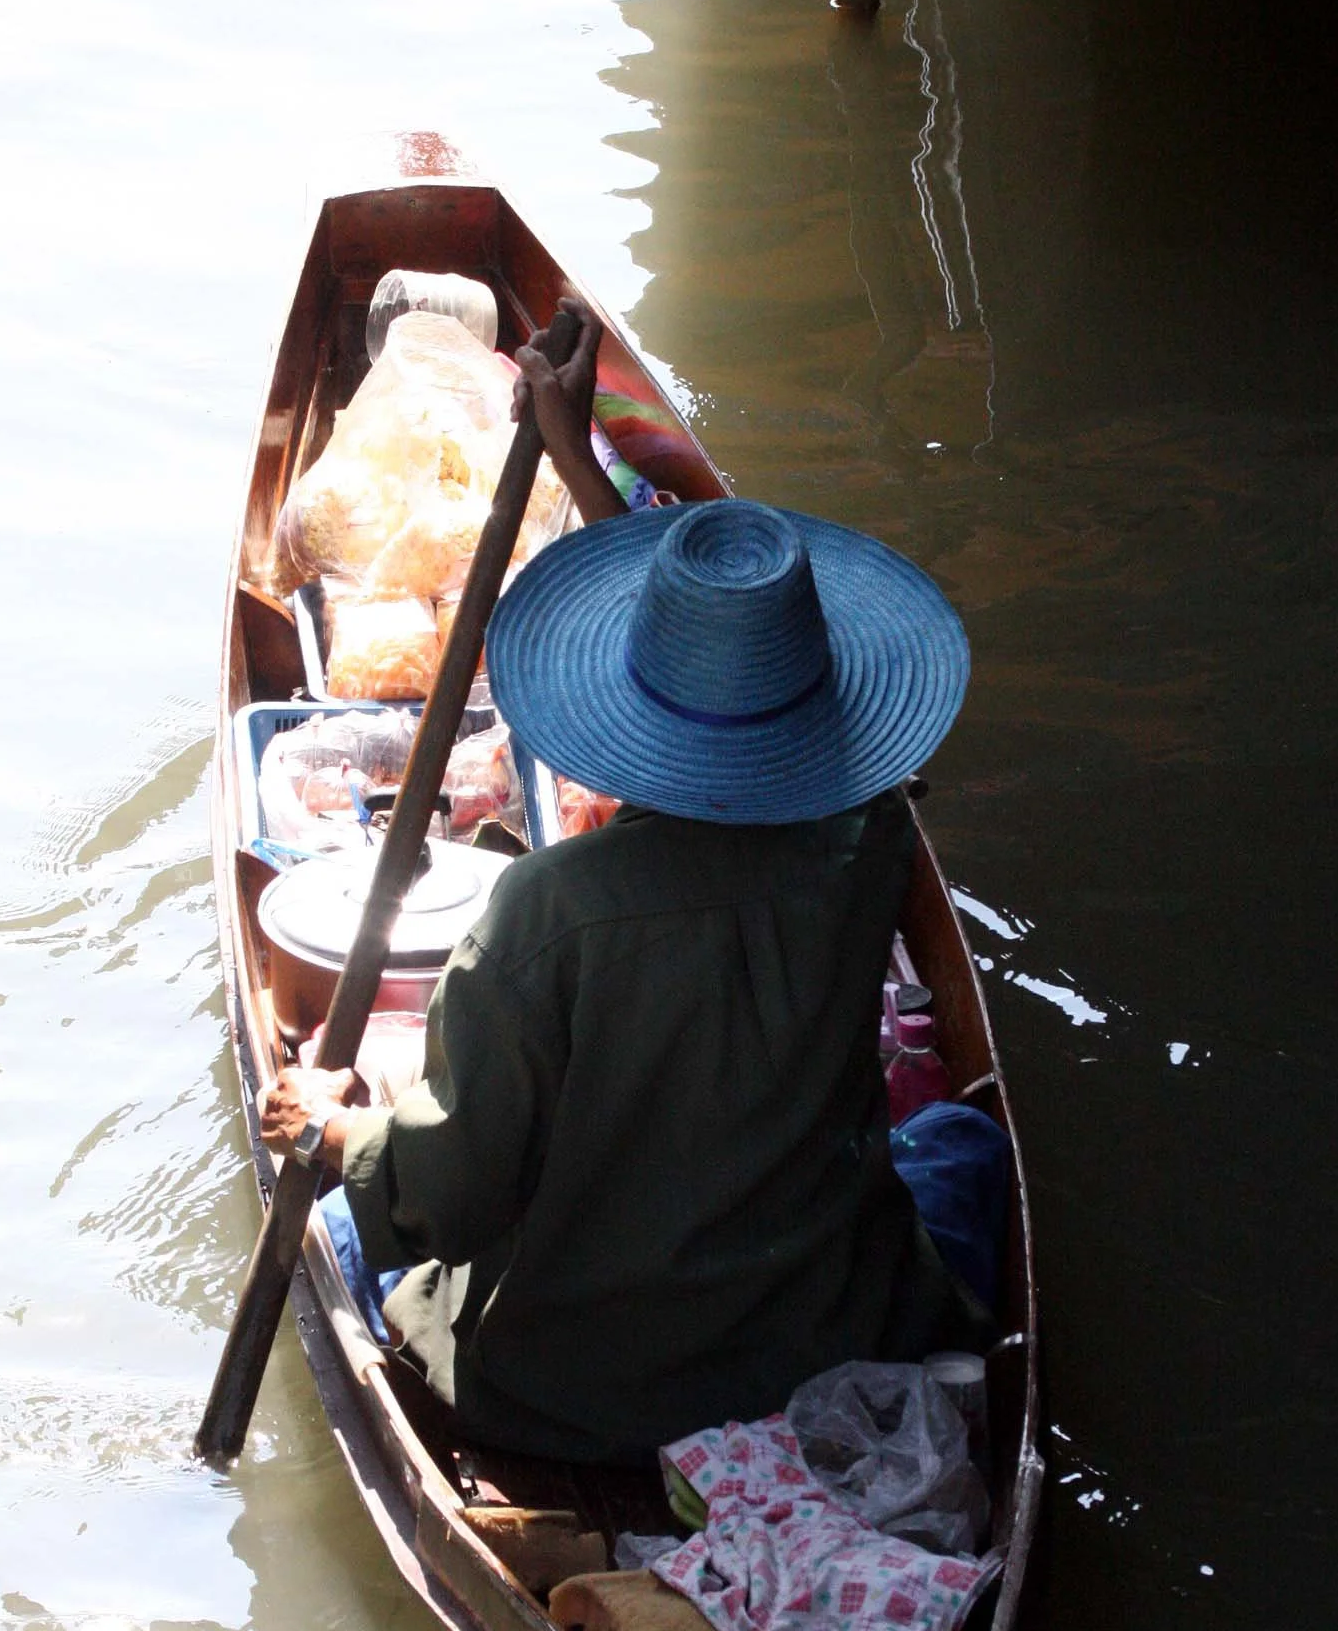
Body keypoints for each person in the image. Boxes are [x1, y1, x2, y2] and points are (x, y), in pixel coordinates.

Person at [259, 302, 995, 1464]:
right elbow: (741, 707)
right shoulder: (868, 841)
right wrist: (573, 454)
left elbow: (449, 1192)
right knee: (960, 1144)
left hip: (574, 1390)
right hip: (816, 1342)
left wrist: (331, 1128)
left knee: (348, 1226)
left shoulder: (547, 913)